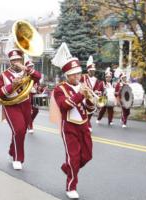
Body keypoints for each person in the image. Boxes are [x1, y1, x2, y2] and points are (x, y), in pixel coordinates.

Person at [51, 43, 94, 199]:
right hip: (69, 127)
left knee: (87, 156)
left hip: (84, 125)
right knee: (74, 157)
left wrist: (90, 100)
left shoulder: (83, 86)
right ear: (67, 75)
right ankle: (71, 186)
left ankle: (68, 167)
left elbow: (90, 110)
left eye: (79, 73)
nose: (77, 76)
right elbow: (65, 106)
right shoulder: (59, 89)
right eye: (74, 74)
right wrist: (81, 94)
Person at [0, 47, 41, 170]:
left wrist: (26, 69)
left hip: (25, 104)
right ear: (10, 62)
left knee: (21, 131)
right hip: (11, 105)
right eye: (13, 60)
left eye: (18, 60)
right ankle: (17, 158)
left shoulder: (26, 71)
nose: (16, 62)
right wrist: (12, 85)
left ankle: (12, 150)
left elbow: (38, 76)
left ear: (21, 60)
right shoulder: (3, 75)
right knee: (19, 130)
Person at [80, 55, 99, 132]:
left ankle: (86, 124)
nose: (93, 72)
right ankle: (88, 125)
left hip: (92, 98)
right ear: (88, 70)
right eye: (92, 70)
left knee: (90, 112)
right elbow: (78, 84)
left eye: (94, 71)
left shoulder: (95, 79)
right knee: (85, 113)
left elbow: (97, 88)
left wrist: (97, 92)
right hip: (83, 98)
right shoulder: (83, 77)